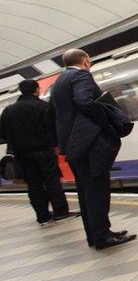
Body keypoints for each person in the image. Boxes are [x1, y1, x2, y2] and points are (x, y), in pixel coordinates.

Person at [50, 49, 135, 249]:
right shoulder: (81, 75)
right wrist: (106, 122)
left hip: (73, 144)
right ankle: (103, 236)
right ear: (86, 61)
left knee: (86, 191)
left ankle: (95, 235)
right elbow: (84, 101)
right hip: (88, 143)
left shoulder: (59, 81)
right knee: (98, 190)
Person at [0, 79, 79, 226]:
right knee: (52, 181)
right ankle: (61, 212)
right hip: (44, 151)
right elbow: (53, 128)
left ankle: (43, 217)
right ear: (37, 89)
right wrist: (56, 144)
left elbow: (3, 133)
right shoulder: (43, 107)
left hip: (21, 154)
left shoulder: (8, 111)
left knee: (34, 184)